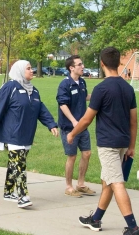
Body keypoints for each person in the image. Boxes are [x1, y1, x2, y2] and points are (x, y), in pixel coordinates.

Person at [68, 47, 139, 235]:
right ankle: (96, 218)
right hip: (124, 142)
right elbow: (134, 121)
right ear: (119, 63)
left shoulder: (101, 88)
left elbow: (86, 119)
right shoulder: (128, 88)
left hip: (108, 144)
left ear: (102, 64)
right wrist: (131, 146)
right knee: (107, 180)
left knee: (116, 182)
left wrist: (72, 134)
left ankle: (132, 227)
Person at [0, 60, 59, 209]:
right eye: (28, 68)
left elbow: (41, 109)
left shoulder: (34, 91)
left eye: (31, 68)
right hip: (12, 134)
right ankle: (23, 196)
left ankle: (8, 191)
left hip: (27, 134)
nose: (32, 71)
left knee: (15, 164)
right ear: (19, 71)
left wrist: (51, 124)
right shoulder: (9, 87)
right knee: (20, 165)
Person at [56, 55, 95, 198]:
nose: (82, 66)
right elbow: (63, 104)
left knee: (87, 153)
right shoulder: (64, 84)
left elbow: (84, 97)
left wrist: (99, 94)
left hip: (82, 126)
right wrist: (73, 121)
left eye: (82, 63)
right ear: (71, 68)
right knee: (72, 156)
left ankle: (81, 184)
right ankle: (69, 187)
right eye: (79, 64)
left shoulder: (82, 82)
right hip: (69, 127)